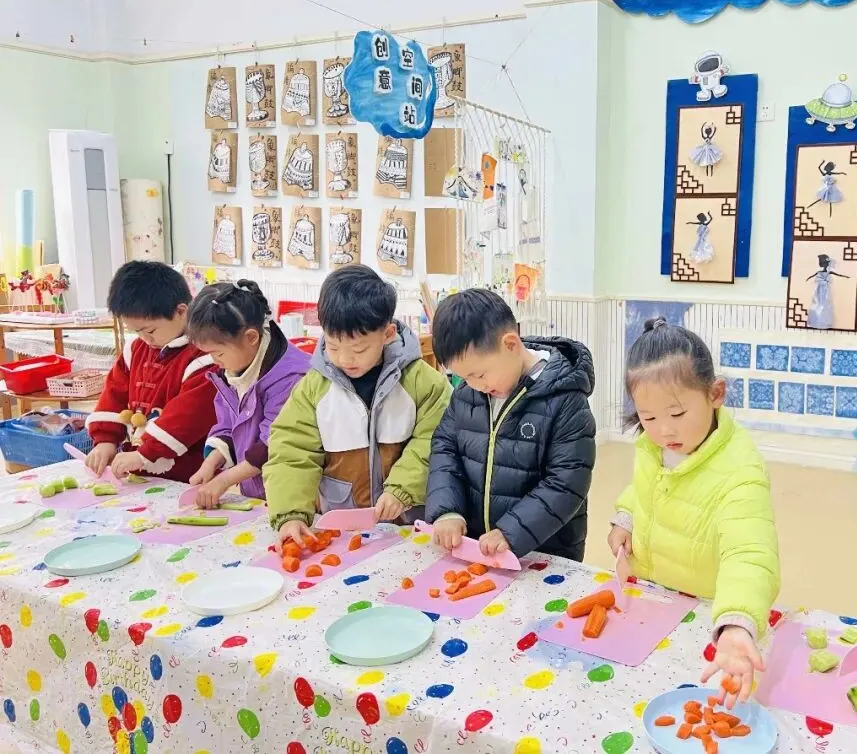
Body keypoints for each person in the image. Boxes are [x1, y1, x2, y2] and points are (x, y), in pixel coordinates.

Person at [607, 318, 779, 709]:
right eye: (649, 417)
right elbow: (648, 487)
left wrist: (736, 623)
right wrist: (626, 517)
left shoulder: (742, 470)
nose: (664, 431)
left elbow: (749, 554)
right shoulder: (653, 446)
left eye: (677, 414)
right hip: (654, 597)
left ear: (715, 393)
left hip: (708, 614)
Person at [263, 265, 451, 550]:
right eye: (333, 347)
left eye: (359, 349)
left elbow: (434, 441)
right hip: (342, 529)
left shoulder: (423, 382)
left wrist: (402, 489)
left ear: (388, 333)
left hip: (410, 526)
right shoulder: (314, 387)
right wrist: (290, 514)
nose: (344, 359)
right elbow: (292, 451)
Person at [425, 288, 595, 562]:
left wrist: (511, 533)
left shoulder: (565, 399)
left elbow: (566, 482)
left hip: (542, 552)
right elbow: (445, 448)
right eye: (464, 378)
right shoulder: (469, 393)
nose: (475, 386)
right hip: (480, 549)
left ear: (511, 345)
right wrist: (447, 510)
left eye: (480, 375)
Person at [85, 261, 217, 482]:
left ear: (181, 311)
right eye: (136, 331)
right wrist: (105, 439)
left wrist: (145, 454)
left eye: (150, 330)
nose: (145, 339)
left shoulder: (205, 355)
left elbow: (188, 416)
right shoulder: (136, 349)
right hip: (137, 466)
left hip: (188, 474)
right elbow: (113, 395)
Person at [186, 280, 310, 508]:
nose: (215, 361)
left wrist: (224, 480)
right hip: (258, 495)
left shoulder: (291, 377)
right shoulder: (232, 370)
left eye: (218, 353)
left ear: (251, 337)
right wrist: (211, 464)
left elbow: (273, 444)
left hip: (293, 497)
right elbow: (228, 426)